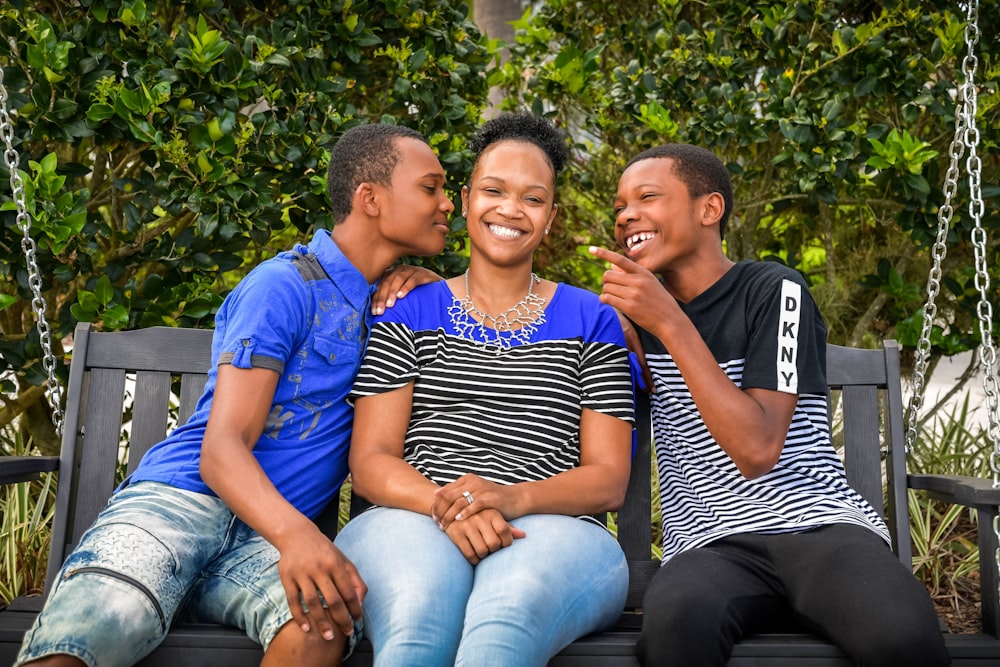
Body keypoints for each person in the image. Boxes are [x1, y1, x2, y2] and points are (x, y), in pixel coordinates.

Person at [15, 122, 455, 667]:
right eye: (431, 188)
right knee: (94, 624)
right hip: (179, 506)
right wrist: (299, 536)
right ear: (369, 198)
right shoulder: (284, 287)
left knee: (322, 622)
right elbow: (221, 449)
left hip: (259, 546)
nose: (448, 204)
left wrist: (435, 286)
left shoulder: (396, 305)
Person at [590, 143, 950, 666]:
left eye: (647, 197)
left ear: (709, 209)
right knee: (674, 635)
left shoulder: (774, 290)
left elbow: (757, 449)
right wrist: (433, 284)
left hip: (821, 530)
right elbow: (518, 333)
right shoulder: (629, 315)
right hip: (710, 546)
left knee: (904, 640)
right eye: (620, 206)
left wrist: (669, 321)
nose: (626, 217)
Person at [334, 112, 635, 667]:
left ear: (551, 217)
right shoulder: (410, 309)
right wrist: (453, 507)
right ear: (467, 199)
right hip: (412, 520)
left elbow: (609, 479)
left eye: (533, 199)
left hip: (555, 531)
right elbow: (372, 459)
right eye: (494, 190)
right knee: (417, 622)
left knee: (506, 621)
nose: (510, 210)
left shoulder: (592, 319)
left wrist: (512, 499)